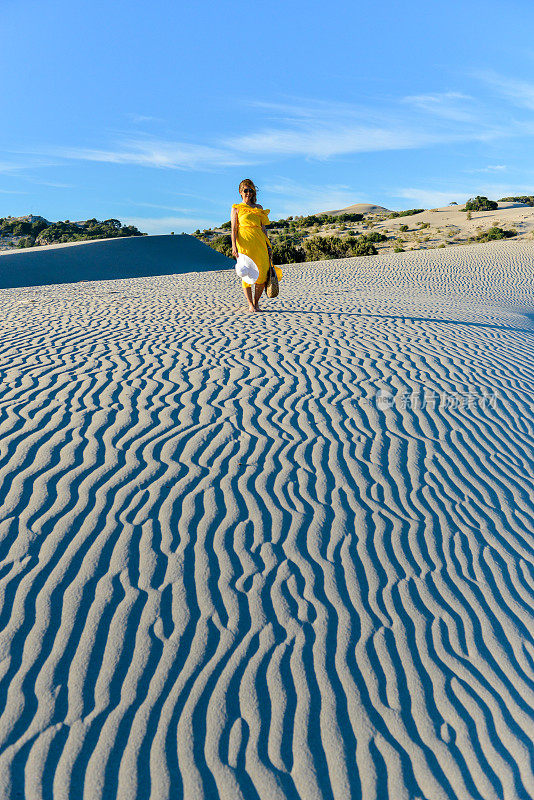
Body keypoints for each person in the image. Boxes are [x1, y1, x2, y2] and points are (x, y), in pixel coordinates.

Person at [231, 179, 272, 313]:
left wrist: (268, 245)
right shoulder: (236, 208)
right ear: (240, 192)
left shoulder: (258, 208)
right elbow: (233, 229)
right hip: (244, 244)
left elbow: (263, 228)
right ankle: (250, 304)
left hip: (259, 242)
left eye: (250, 190)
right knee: (246, 272)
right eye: (245, 190)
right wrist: (234, 247)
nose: (248, 193)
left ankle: (256, 302)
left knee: (262, 273)